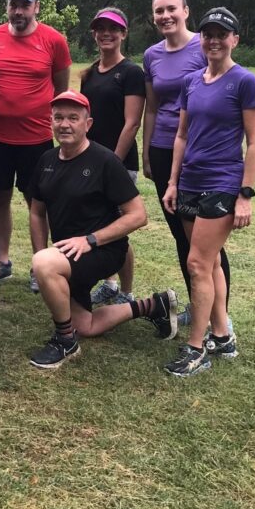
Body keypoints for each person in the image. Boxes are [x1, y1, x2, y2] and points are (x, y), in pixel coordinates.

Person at [27, 90, 179, 370]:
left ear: (88, 124)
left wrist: (91, 240)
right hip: (67, 256)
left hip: (104, 250)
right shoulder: (46, 161)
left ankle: (65, 341)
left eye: (73, 118)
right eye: (58, 117)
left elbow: (138, 216)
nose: (65, 124)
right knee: (87, 325)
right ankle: (154, 306)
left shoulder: (105, 161)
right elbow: (37, 212)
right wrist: (42, 257)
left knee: (47, 267)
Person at [162, 8, 255, 377]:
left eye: (222, 34)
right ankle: (222, 336)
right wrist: (173, 182)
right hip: (190, 181)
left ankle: (196, 348)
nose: (214, 40)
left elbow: (254, 143)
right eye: (208, 34)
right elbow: (182, 135)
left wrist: (245, 195)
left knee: (196, 264)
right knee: (210, 261)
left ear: (235, 39)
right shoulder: (192, 81)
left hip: (222, 183)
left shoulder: (244, 82)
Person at [142, 0, 233, 327]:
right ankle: (199, 307)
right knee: (182, 236)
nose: (165, 16)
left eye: (171, 9)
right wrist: (147, 151)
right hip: (165, 151)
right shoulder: (151, 55)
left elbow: (225, 94)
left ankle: (219, 317)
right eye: (158, 11)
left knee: (206, 242)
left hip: (201, 155)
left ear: (185, 10)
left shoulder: (205, 44)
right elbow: (152, 108)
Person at [0, 0, 71, 282]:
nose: (18, 11)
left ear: (36, 8)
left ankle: (40, 262)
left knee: (37, 200)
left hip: (37, 139)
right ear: (7, 7)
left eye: (24, 5)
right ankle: (2, 259)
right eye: (13, 5)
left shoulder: (54, 40)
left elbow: (61, 87)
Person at [80, 7, 145, 304]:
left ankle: (127, 293)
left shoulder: (131, 73)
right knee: (99, 225)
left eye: (113, 28)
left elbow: (132, 122)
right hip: (91, 162)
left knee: (119, 230)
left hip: (118, 164)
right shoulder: (90, 73)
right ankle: (110, 283)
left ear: (123, 34)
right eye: (100, 28)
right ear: (94, 33)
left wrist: (113, 163)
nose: (106, 33)